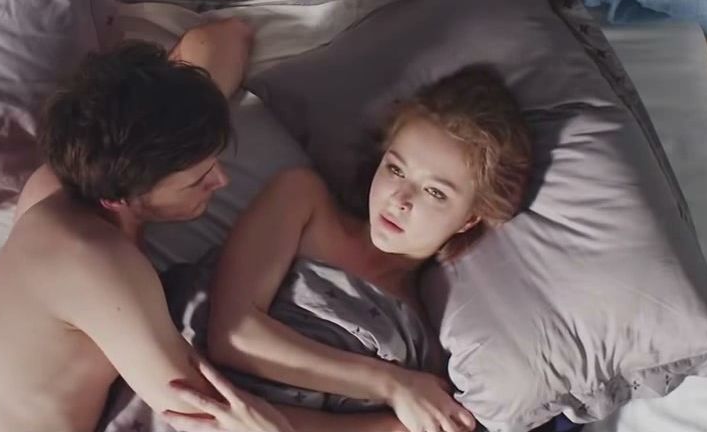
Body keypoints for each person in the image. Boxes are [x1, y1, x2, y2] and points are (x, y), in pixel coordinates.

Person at [0, 19, 398, 432]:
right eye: (198, 179)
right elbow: (210, 412)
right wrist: (395, 419)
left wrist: (190, 93)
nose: (221, 180)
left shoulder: (87, 167)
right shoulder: (93, 261)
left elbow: (227, 37)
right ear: (120, 197)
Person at [205, 70, 533, 432]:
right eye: (396, 169)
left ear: (468, 220)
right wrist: (390, 384)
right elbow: (232, 335)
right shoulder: (302, 201)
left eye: (435, 192)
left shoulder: (421, 348)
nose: (400, 199)